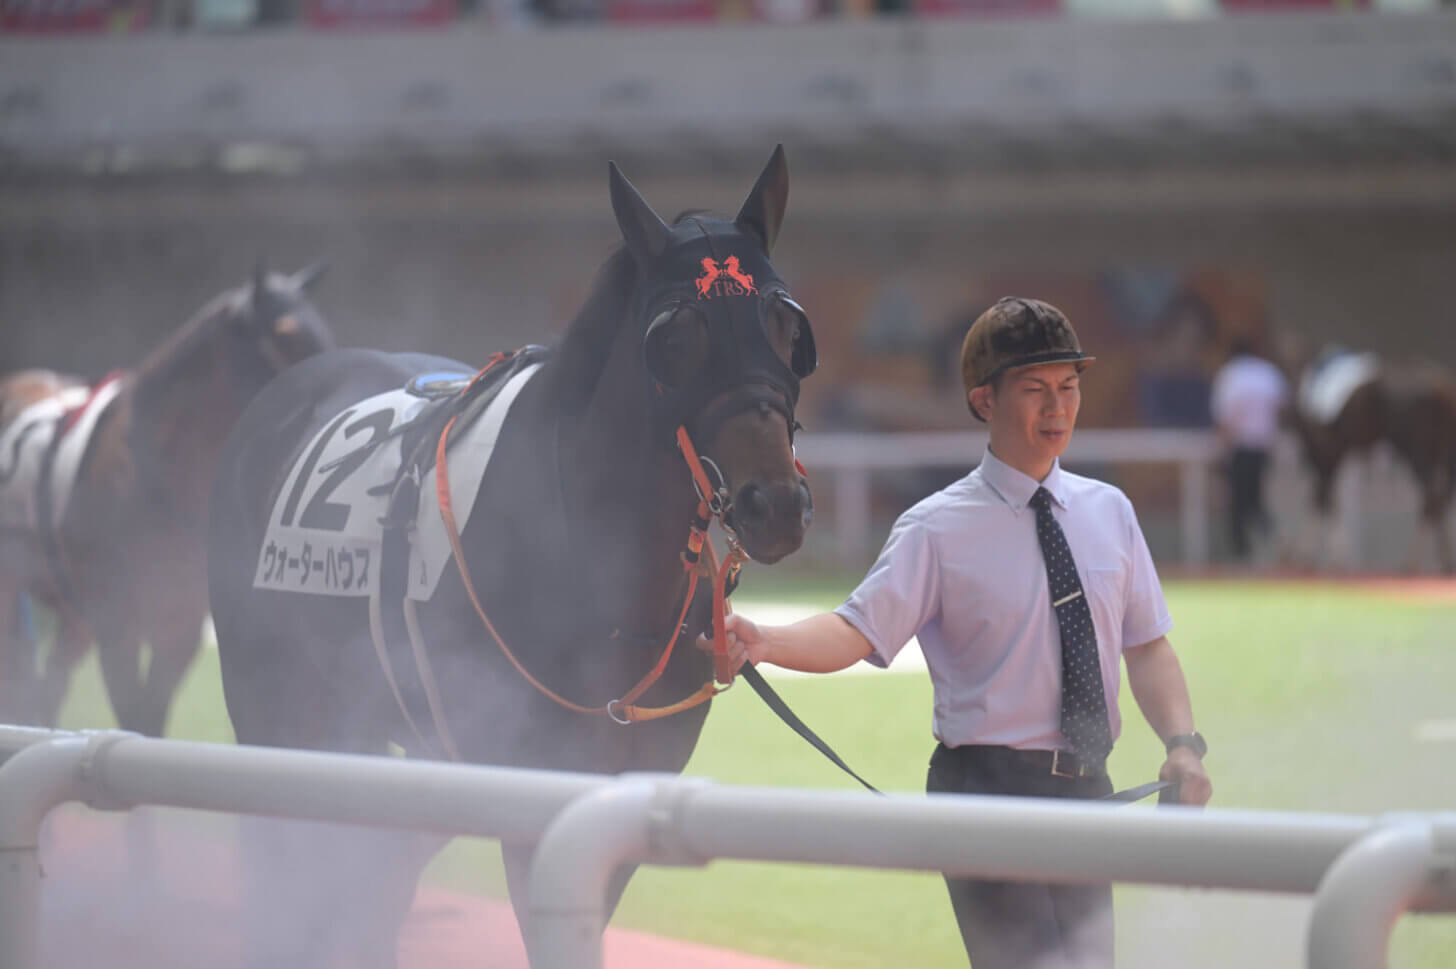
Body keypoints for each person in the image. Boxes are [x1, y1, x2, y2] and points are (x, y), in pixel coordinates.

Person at [707, 296, 1213, 969]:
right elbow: (856, 629)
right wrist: (764, 639)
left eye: (1069, 388)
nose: (1057, 408)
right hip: (984, 793)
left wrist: (1182, 743)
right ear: (984, 400)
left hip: (1089, 789)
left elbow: (1147, 645)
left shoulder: (1110, 512)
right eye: (1035, 390)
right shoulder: (935, 528)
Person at [1209, 339, 1289, 562]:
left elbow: (1225, 419)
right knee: (1254, 500)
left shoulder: (1230, 376)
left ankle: (1243, 554)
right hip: (1264, 448)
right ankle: (1272, 542)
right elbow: (1283, 408)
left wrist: (1220, 455)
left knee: (1239, 504)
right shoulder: (1268, 373)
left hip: (1240, 448)